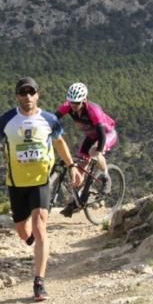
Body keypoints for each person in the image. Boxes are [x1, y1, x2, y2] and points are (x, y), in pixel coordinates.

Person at [0, 77, 77, 302]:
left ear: (38, 95)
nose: (27, 97)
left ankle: (39, 283)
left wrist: (73, 166)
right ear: (17, 96)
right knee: (23, 232)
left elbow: (59, 143)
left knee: (39, 227)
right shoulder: (7, 120)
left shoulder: (49, 119)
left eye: (31, 92)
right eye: (23, 93)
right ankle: (35, 244)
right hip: (16, 184)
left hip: (40, 181)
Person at [54, 82, 118, 210]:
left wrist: (98, 151)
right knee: (80, 166)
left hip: (107, 134)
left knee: (94, 151)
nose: (74, 105)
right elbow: (53, 118)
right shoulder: (68, 106)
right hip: (91, 136)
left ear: (84, 100)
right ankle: (79, 199)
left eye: (77, 103)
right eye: (71, 102)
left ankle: (106, 178)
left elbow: (101, 134)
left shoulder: (94, 111)